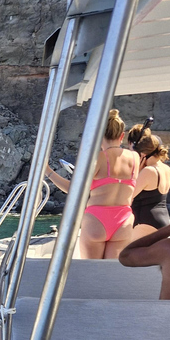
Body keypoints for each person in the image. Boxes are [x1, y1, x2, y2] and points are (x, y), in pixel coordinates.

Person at [46, 109, 140, 258]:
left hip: (97, 219)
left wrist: (48, 171)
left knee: (90, 274)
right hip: (123, 220)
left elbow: (73, 189)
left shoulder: (98, 158)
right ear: (122, 136)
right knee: (111, 276)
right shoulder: (135, 158)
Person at [127, 124, 170, 239]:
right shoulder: (166, 169)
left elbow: (128, 196)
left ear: (143, 155)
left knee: (132, 255)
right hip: (163, 219)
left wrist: (138, 171)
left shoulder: (148, 171)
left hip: (146, 221)